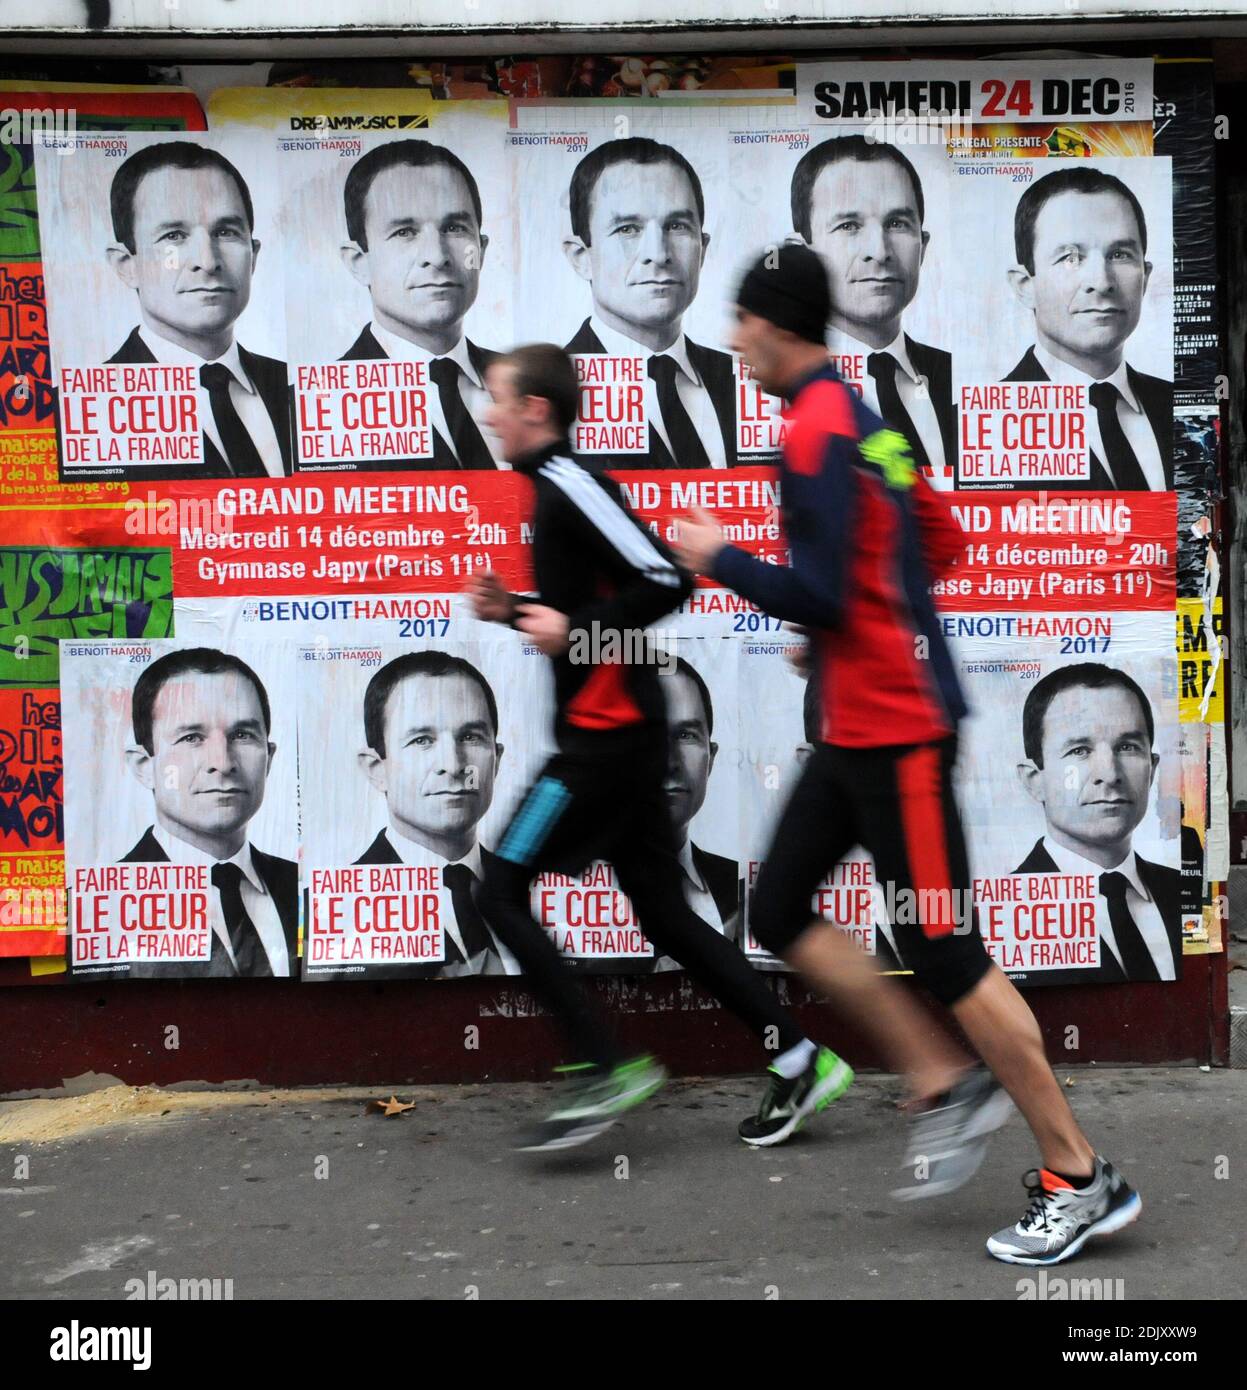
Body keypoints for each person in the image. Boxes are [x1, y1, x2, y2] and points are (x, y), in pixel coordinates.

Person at [674, 244, 1142, 1266]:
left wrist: (725, 561)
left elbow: (836, 586)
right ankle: (941, 1073)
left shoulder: (812, 435)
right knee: (781, 906)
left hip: (896, 736)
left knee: (944, 949)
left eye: (741, 320)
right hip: (852, 727)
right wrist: (853, 620)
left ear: (778, 324)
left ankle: (1078, 1174)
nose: (730, 337)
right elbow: (933, 538)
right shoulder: (868, 421)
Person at [467, 341, 851, 1152]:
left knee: (499, 886)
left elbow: (667, 580)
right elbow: (591, 609)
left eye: (496, 397)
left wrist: (574, 629)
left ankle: (605, 1066)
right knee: (666, 915)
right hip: (620, 745)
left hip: (599, 752)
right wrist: (517, 611)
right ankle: (798, 1056)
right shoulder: (549, 489)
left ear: (536, 409)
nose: (486, 411)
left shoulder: (570, 482)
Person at [105, 142, 291, 480]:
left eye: (225, 232)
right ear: (125, 265)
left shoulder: (297, 387)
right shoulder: (84, 411)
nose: (207, 262)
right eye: (173, 235)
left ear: (254, 254)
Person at [119, 646, 297, 979]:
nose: (223, 762)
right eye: (191, 737)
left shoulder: (303, 885)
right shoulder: (100, 904)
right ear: (144, 766)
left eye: (242, 735)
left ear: (269, 758)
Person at [562, 138, 738, 469]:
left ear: (703, 247)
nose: (658, 254)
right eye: (627, 229)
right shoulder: (551, 390)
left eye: (677, 226)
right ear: (581, 256)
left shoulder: (745, 382)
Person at [792, 135, 955, 485]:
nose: (879, 251)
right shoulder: (783, 387)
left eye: (897, 223)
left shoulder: (956, 376)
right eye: (849, 226)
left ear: (922, 246)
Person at [1004, 166, 1172, 490]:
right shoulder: (976, 425)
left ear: (1145, 277)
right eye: (1070, 257)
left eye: (1120, 254)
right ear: (1025, 285)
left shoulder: (1171, 404)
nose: (1101, 282)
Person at [352, 650, 517, 977]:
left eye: (470, 737)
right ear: (376, 769)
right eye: (422, 740)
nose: (453, 766)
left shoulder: (534, 892)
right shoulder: (334, 906)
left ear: (495, 759)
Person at [1014, 663, 1181, 982]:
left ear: (1152, 769)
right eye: (1079, 750)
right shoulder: (1006, 907)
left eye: (1128, 747)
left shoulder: (1180, 890)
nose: (1110, 773)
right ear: (1035, 779)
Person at [338, 140, 499, 469]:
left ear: (480, 249)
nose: (437, 257)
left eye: (454, 228)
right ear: (358, 261)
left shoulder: (526, 386)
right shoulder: (318, 403)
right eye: (404, 232)